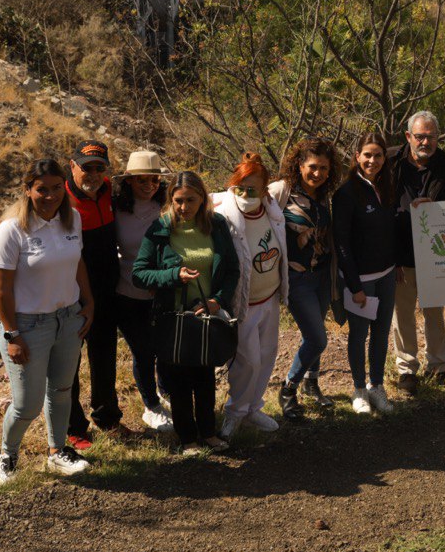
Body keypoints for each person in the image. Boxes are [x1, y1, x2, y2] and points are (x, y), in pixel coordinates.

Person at [0, 158, 95, 483]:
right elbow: (1, 289)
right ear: (28, 190)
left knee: (62, 391)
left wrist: (87, 302)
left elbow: (76, 264)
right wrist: (12, 335)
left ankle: (57, 452)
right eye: (41, 190)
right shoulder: (11, 232)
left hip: (68, 320)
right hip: (28, 326)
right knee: (26, 405)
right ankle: (8, 455)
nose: (50, 196)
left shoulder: (72, 220)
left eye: (55, 188)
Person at [132, 171, 240, 455]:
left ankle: (208, 433)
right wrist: (173, 275)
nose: (184, 207)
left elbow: (232, 269)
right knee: (177, 381)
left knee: (205, 377)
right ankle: (187, 439)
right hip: (172, 318)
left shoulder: (216, 225)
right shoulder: (160, 228)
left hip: (206, 318)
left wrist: (218, 300)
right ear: (170, 200)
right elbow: (139, 274)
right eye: (178, 200)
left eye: (191, 200)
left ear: (203, 198)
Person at [213, 152, 288, 439]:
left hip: (269, 297)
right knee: (248, 361)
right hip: (242, 302)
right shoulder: (223, 213)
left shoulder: (272, 208)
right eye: (240, 187)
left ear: (265, 190)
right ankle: (234, 412)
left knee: (268, 355)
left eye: (253, 188)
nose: (246, 194)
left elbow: (291, 178)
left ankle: (253, 408)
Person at [389, 111, 445, 395]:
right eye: (419, 136)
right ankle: (407, 369)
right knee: (403, 314)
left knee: (435, 312)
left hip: (436, 252)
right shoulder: (390, 161)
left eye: (431, 137)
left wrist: (433, 208)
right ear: (408, 137)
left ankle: (439, 366)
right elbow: (382, 204)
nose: (425, 142)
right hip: (401, 252)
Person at [271, 137, 341, 422]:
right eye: (313, 167)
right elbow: (245, 205)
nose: (318, 173)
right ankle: (288, 389)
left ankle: (312, 383)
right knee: (317, 338)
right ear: (299, 165)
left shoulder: (324, 195)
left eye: (324, 168)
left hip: (323, 276)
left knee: (312, 334)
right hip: (296, 278)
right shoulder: (281, 191)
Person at [65, 140, 128, 449]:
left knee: (104, 358)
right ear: (72, 166)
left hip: (106, 291)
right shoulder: (60, 199)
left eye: (99, 167)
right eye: (86, 167)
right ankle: (73, 428)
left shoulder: (109, 195)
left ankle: (107, 418)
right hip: (70, 296)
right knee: (69, 365)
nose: (92, 173)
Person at [333, 130, 400, 415]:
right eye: (367, 155)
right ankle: (359, 389)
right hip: (360, 281)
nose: (372, 160)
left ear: (385, 158)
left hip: (386, 276)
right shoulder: (346, 193)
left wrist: (395, 265)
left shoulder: (387, 187)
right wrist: (354, 284)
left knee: (381, 334)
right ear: (357, 157)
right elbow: (342, 243)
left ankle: (377, 386)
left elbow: (391, 232)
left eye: (378, 155)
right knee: (359, 335)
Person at [112, 150, 172, 433]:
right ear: (128, 182)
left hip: (164, 290)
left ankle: (167, 393)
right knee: (143, 351)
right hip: (127, 292)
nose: (148, 185)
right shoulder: (117, 210)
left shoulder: (168, 206)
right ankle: (151, 406)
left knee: (165, 347)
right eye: (141, 180)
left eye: (154, 180)